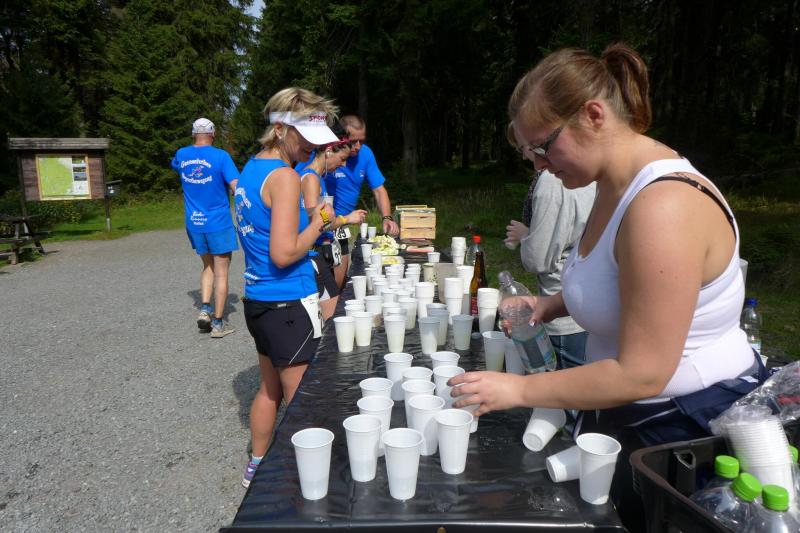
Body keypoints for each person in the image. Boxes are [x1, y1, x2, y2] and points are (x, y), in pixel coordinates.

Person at [450, 44, 767, 525]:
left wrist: (518, 390)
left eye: (542, 147)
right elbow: (625, 283)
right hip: (635, 418)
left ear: (593, 115)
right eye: (528, 153)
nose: (538, 165)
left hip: (683, 432)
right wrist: (554, 303)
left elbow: (643, 373)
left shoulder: (663, 207)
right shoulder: (609, 185)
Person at [234, 87, 338, 489]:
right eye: (306, 138)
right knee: (302, 402)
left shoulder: (251, 169)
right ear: (280, 129)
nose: (313, 148)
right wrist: (319, 223)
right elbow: (283, 253)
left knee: (269, 389)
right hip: (287, 303)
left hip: (258, 301)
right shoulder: (286, 177)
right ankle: (304, 484)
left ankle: (257, 466)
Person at [504, 168, 596, 369]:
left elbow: (537, 259)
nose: (526, 157)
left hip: (562, 319)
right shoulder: (592, 175)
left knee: (563, 384)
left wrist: (526, 236)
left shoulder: (553, 180)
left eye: (526, 150)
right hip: (587, 311)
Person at [171, 118, 239, 338]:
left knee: (207, 265)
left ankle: (205, 308)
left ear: (193, 134)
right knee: (222, 271)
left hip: (194, 222)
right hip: (218, 222)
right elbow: (236, 185)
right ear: (213, 134)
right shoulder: (221, 156)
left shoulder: (181, 154)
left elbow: (176, 165)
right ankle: (218, 324)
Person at [299, 124, 367, 320]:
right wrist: (347, 219)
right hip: (312, 255)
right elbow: (318, 223)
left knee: (329, 311)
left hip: (319, 252)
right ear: (328, 151)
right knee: (332, 314)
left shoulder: (318, 178)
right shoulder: (311, 179)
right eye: (342, 159)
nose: (344, 165)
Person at [323, 114, 399, 289]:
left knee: (338, 285)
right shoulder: (323, 159)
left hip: (339, 226)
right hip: (323, 226)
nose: (357, 146)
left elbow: (379, 189)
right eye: (353, 141)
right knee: (326, 286)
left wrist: (387, 217)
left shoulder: (365, 154)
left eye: (362, 141)